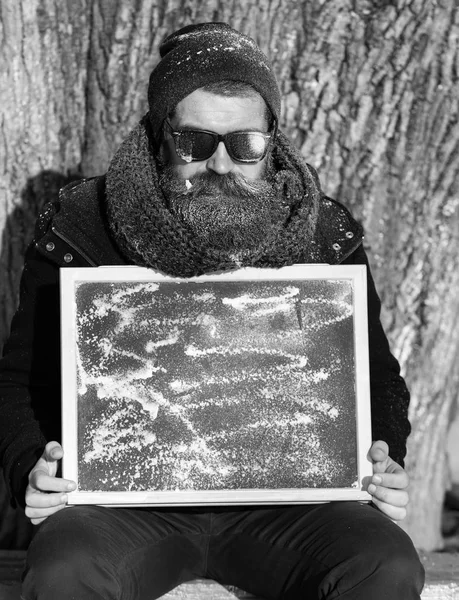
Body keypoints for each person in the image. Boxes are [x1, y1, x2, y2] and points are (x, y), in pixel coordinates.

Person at [0, 22, 425, 600]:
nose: (221, 164)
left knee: (384, 566)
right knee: (64, 572)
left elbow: (377, 379)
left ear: (271, 140)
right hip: (125, 509)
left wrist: (385, 458)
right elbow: (18, 381)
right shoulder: (84, 226)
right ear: (159, 135)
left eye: (245, 143)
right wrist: (33, 465)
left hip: (291, 510)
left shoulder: (322, 233)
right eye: (195, 142)